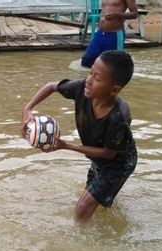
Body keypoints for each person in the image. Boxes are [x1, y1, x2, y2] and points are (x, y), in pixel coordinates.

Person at [21, 50, 137, 221]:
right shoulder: (82, 89)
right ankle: (106, 208)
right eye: (90, 72)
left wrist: (65, 145)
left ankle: (85, 243)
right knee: (94, 193)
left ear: (114, 89)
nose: (89, 81)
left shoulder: (118, 117)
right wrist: (27, 109)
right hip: (98, 158)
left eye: (97, 78)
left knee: (82, 208)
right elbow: (52, 86)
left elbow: (108, 153)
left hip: (119, 164)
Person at [81, 0, 138, 68]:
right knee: (86, 61)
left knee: (114, 66)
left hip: (115, 35)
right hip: (100, 33)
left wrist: (116, 15)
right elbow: (105, 9)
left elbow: (134, 14)